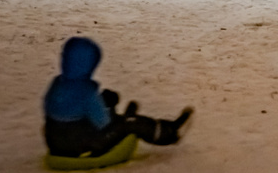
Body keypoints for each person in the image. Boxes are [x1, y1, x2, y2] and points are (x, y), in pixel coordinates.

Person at [44, 36, 193, 158]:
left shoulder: (57, 83)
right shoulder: (86, 93)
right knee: (131, 123)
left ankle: (121, 116)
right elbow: (103, 122)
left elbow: (65, 111)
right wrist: (112, 110)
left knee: (104, 100)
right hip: (85, 144)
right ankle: (172, 132)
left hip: (56, 142)